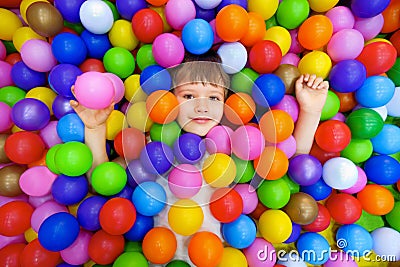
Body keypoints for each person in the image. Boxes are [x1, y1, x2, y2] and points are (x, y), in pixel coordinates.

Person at [70, 49, 329, 264]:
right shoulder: (153, 147)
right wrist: (94, 128)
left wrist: (311, 110)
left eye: (214, 97)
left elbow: (291, 166)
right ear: (169, 100)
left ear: (227, 104)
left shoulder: (236, 146)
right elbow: (102, 181)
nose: (201, 106)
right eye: (189, 96)